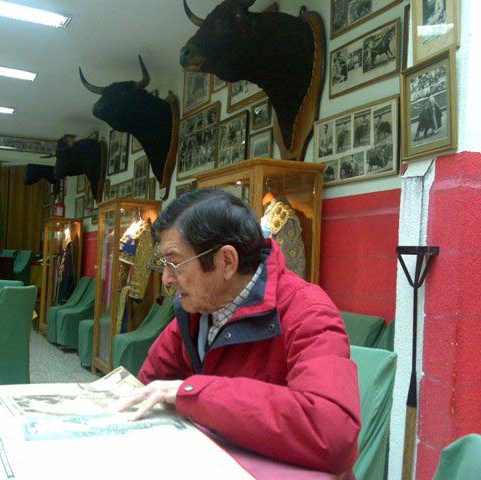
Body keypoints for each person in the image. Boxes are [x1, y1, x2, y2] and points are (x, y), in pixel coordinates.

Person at [118, 189, 360, 474]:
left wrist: (196, 393)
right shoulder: (197, 309)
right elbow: (149, 388)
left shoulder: (308, 311)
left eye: (175, 263)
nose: (167, 279)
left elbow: (332, 433)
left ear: (227, 262)